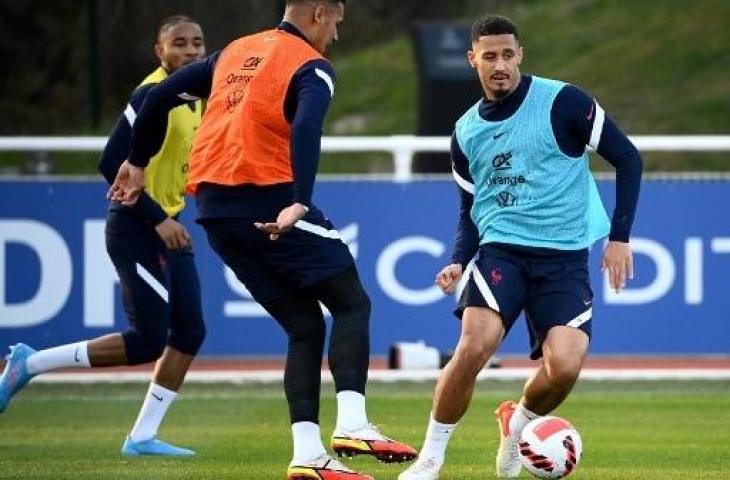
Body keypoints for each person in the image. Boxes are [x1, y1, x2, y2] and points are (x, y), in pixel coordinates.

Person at [107, 1, 417, 478]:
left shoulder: (234, 51)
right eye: (336, 21)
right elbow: (309, 126)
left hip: (214, 212)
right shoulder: (311, 65)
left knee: (303, 326)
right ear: (319, 13)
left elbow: (156, 97)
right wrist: (300, 199)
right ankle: (354, 423)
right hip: (269, 198)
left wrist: (139, 160)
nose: (335, 33)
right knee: (352, 304)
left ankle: (308, 455)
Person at [399, 15, 642, 480]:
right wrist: (457, 260)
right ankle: (430, 458)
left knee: (566, 366)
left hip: (564, 258)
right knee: (473, 347)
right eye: (489, 56)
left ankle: (520, 422)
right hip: (502, 254)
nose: (500, 65)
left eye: (508, 55)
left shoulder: (563, 102)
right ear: (473, 60)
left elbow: (627, 157)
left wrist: (620, 237)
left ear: (520, 56)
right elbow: (471, 210)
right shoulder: (466, 132)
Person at [0, 15, 207, 457]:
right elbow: (111, 159)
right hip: (136, 226)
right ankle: (29, 364)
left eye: (197, 44)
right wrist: (157, 217)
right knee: (149, 339)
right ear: (160, 52)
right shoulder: (152, 93)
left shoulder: (194, 97)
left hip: (168, 225)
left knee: (189, 332)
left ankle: (142, 438)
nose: (191, 52)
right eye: (180, 44)